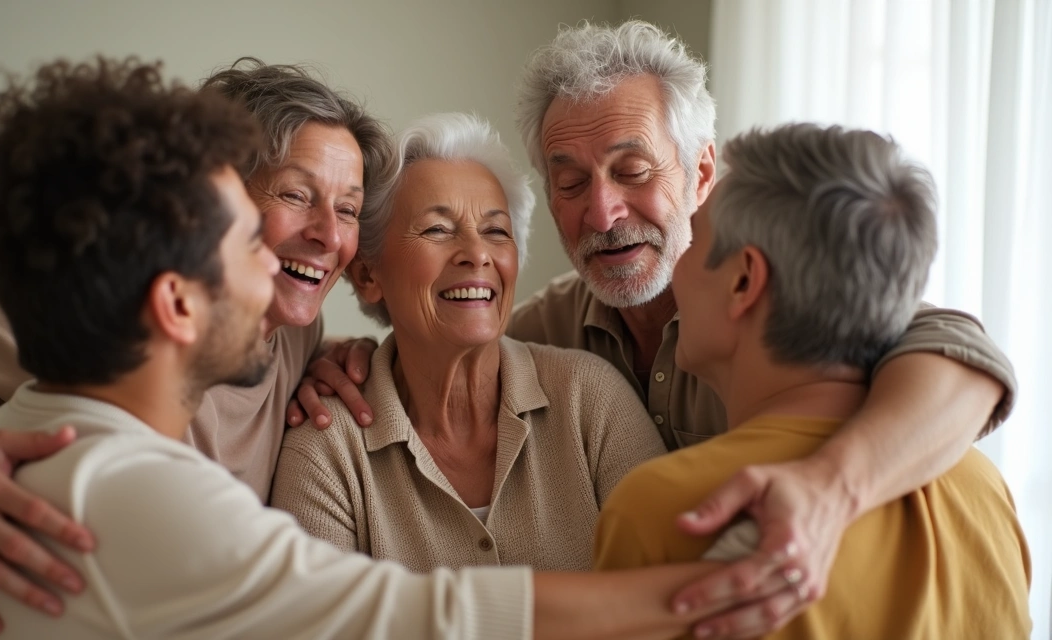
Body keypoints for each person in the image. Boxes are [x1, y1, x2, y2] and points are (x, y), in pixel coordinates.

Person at [0, 55, 778, 640]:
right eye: (252, 237)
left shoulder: (296, 343)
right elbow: (402, 616)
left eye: (348, 212)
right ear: (177, 294)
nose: (318, 246)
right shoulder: (116, 481)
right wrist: (724, 592)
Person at [290, 20, 1017, 638]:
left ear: (703, 171)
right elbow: (452, 334)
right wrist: (338, 355)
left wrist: (832, 488)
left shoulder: (788, 313)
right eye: (570, 182)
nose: (602, 213)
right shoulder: (552, 334)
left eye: (632, 170)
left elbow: (959, 353)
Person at [0, 58, 389, 632]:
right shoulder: (59, 319)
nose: (329, 234)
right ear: (203, 197)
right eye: (296, 195)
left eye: (347, 209)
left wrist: (356, 357)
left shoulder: (298, 335)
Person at [593, 122, 1032, 638]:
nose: (678, 271)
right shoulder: (982, 486)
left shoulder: (666, 506)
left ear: (742, 281)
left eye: (694, 242)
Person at [270, 113, 667, 571]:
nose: (477, 254)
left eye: (497, 231)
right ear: (366, 274)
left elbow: (671, 598)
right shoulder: (325, 446)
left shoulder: (591, 398)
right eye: (438, 230)